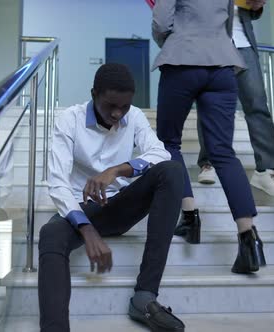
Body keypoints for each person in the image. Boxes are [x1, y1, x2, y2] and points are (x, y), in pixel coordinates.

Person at [39, 63, 186, 331]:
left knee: (172, 171)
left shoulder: (136, 117)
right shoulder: (68, 119)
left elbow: (160, 153)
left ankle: (144, 297)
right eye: (110, 106)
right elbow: (58, 184)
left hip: (119, 206)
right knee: (50, 235)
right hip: (81, 209)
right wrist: (86, 228)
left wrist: (118, 169)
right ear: (94, 94)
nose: (117, 114)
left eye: (124, 106)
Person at [152, 0, 266, 272]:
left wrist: (177, 41)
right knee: (223, 152)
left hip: (182, 59)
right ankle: (249, 238)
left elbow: (160, 22)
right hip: (222, 64)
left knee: (168, 143)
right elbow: (227, 21)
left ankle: (190, 217)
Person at [194, 0, 274, 201]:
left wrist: (256, 5)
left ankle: (265, 171)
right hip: (211, 44)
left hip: (244, 45)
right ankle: (208, 163)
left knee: (258, 107)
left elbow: (250, 13)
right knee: (210, 106)